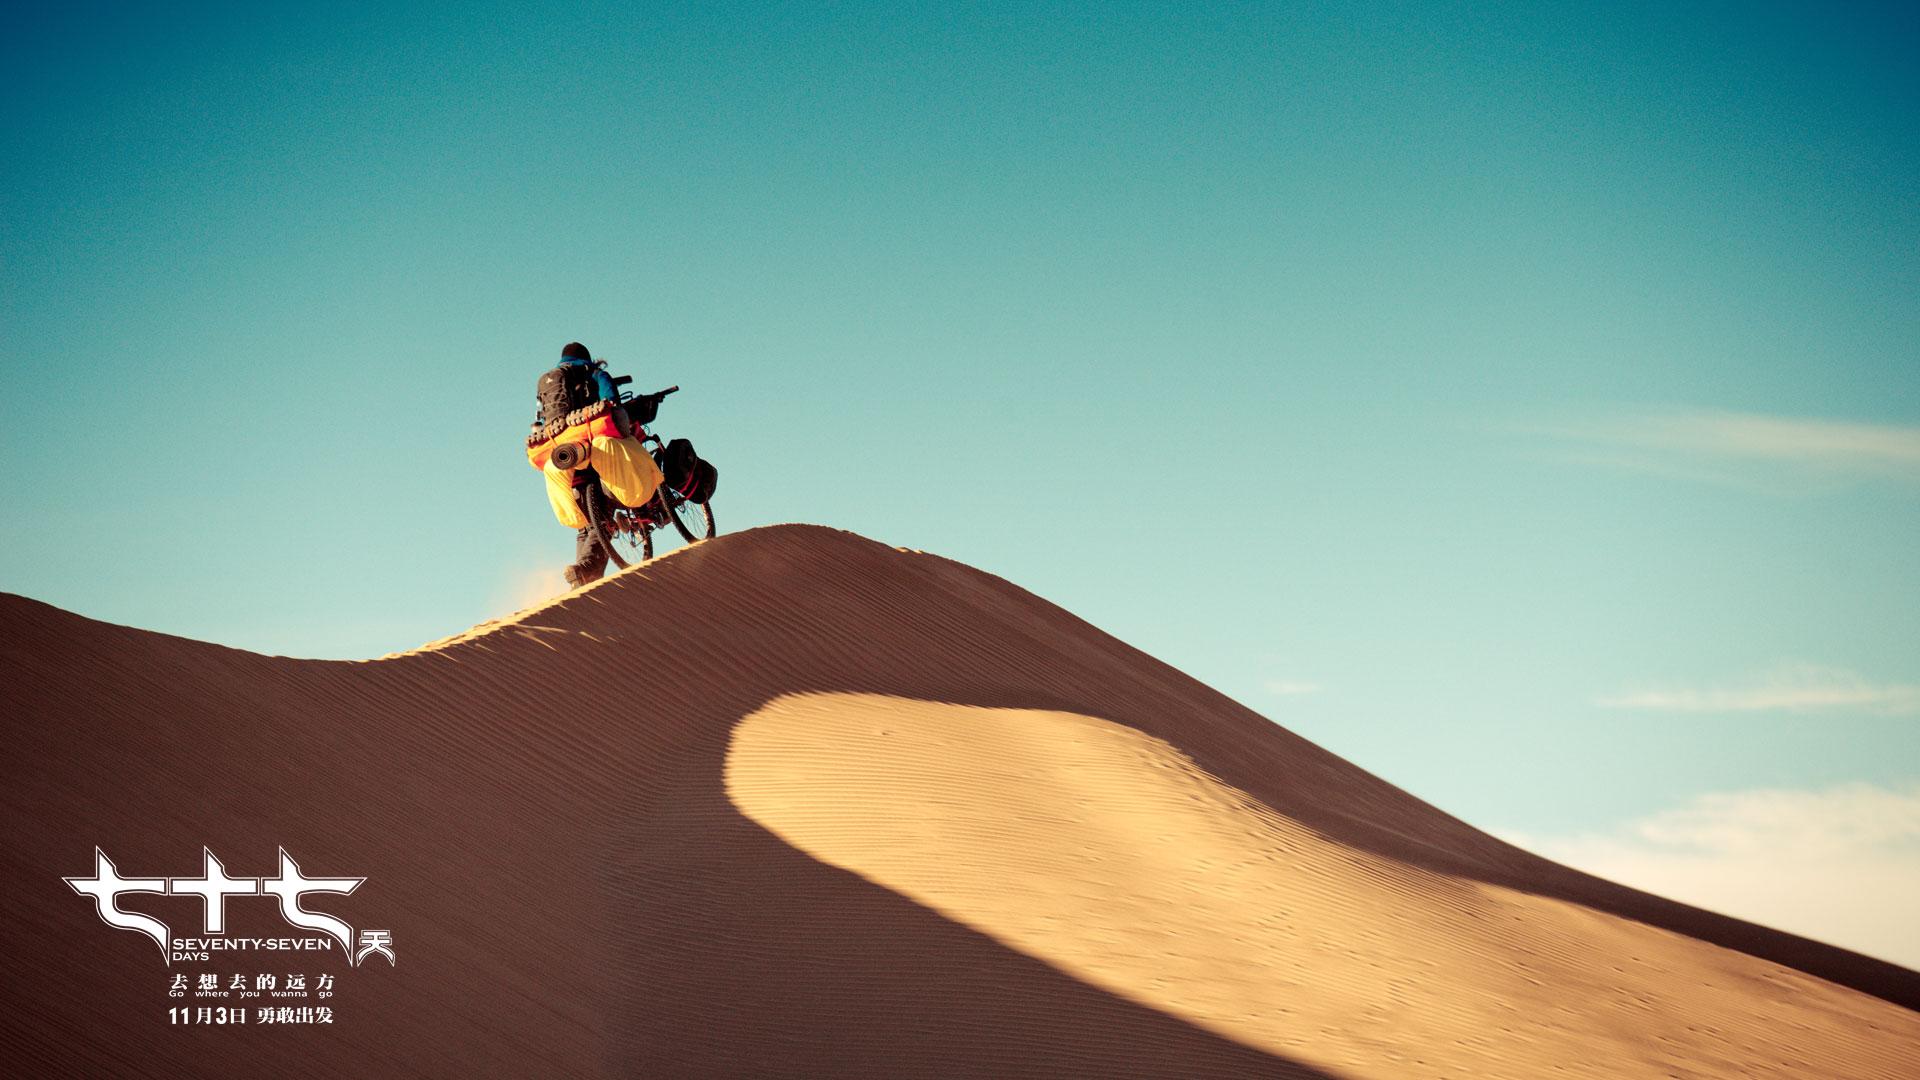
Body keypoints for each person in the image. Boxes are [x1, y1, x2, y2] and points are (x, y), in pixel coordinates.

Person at [537, 342, 621, 588]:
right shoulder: (593, 373)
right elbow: (612, 401)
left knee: (585, 523)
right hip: (593, 452)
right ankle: (585, 571)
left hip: (564, 457)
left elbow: (540, 420)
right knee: (603, 513)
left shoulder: (549, 383)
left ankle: (580, 584)